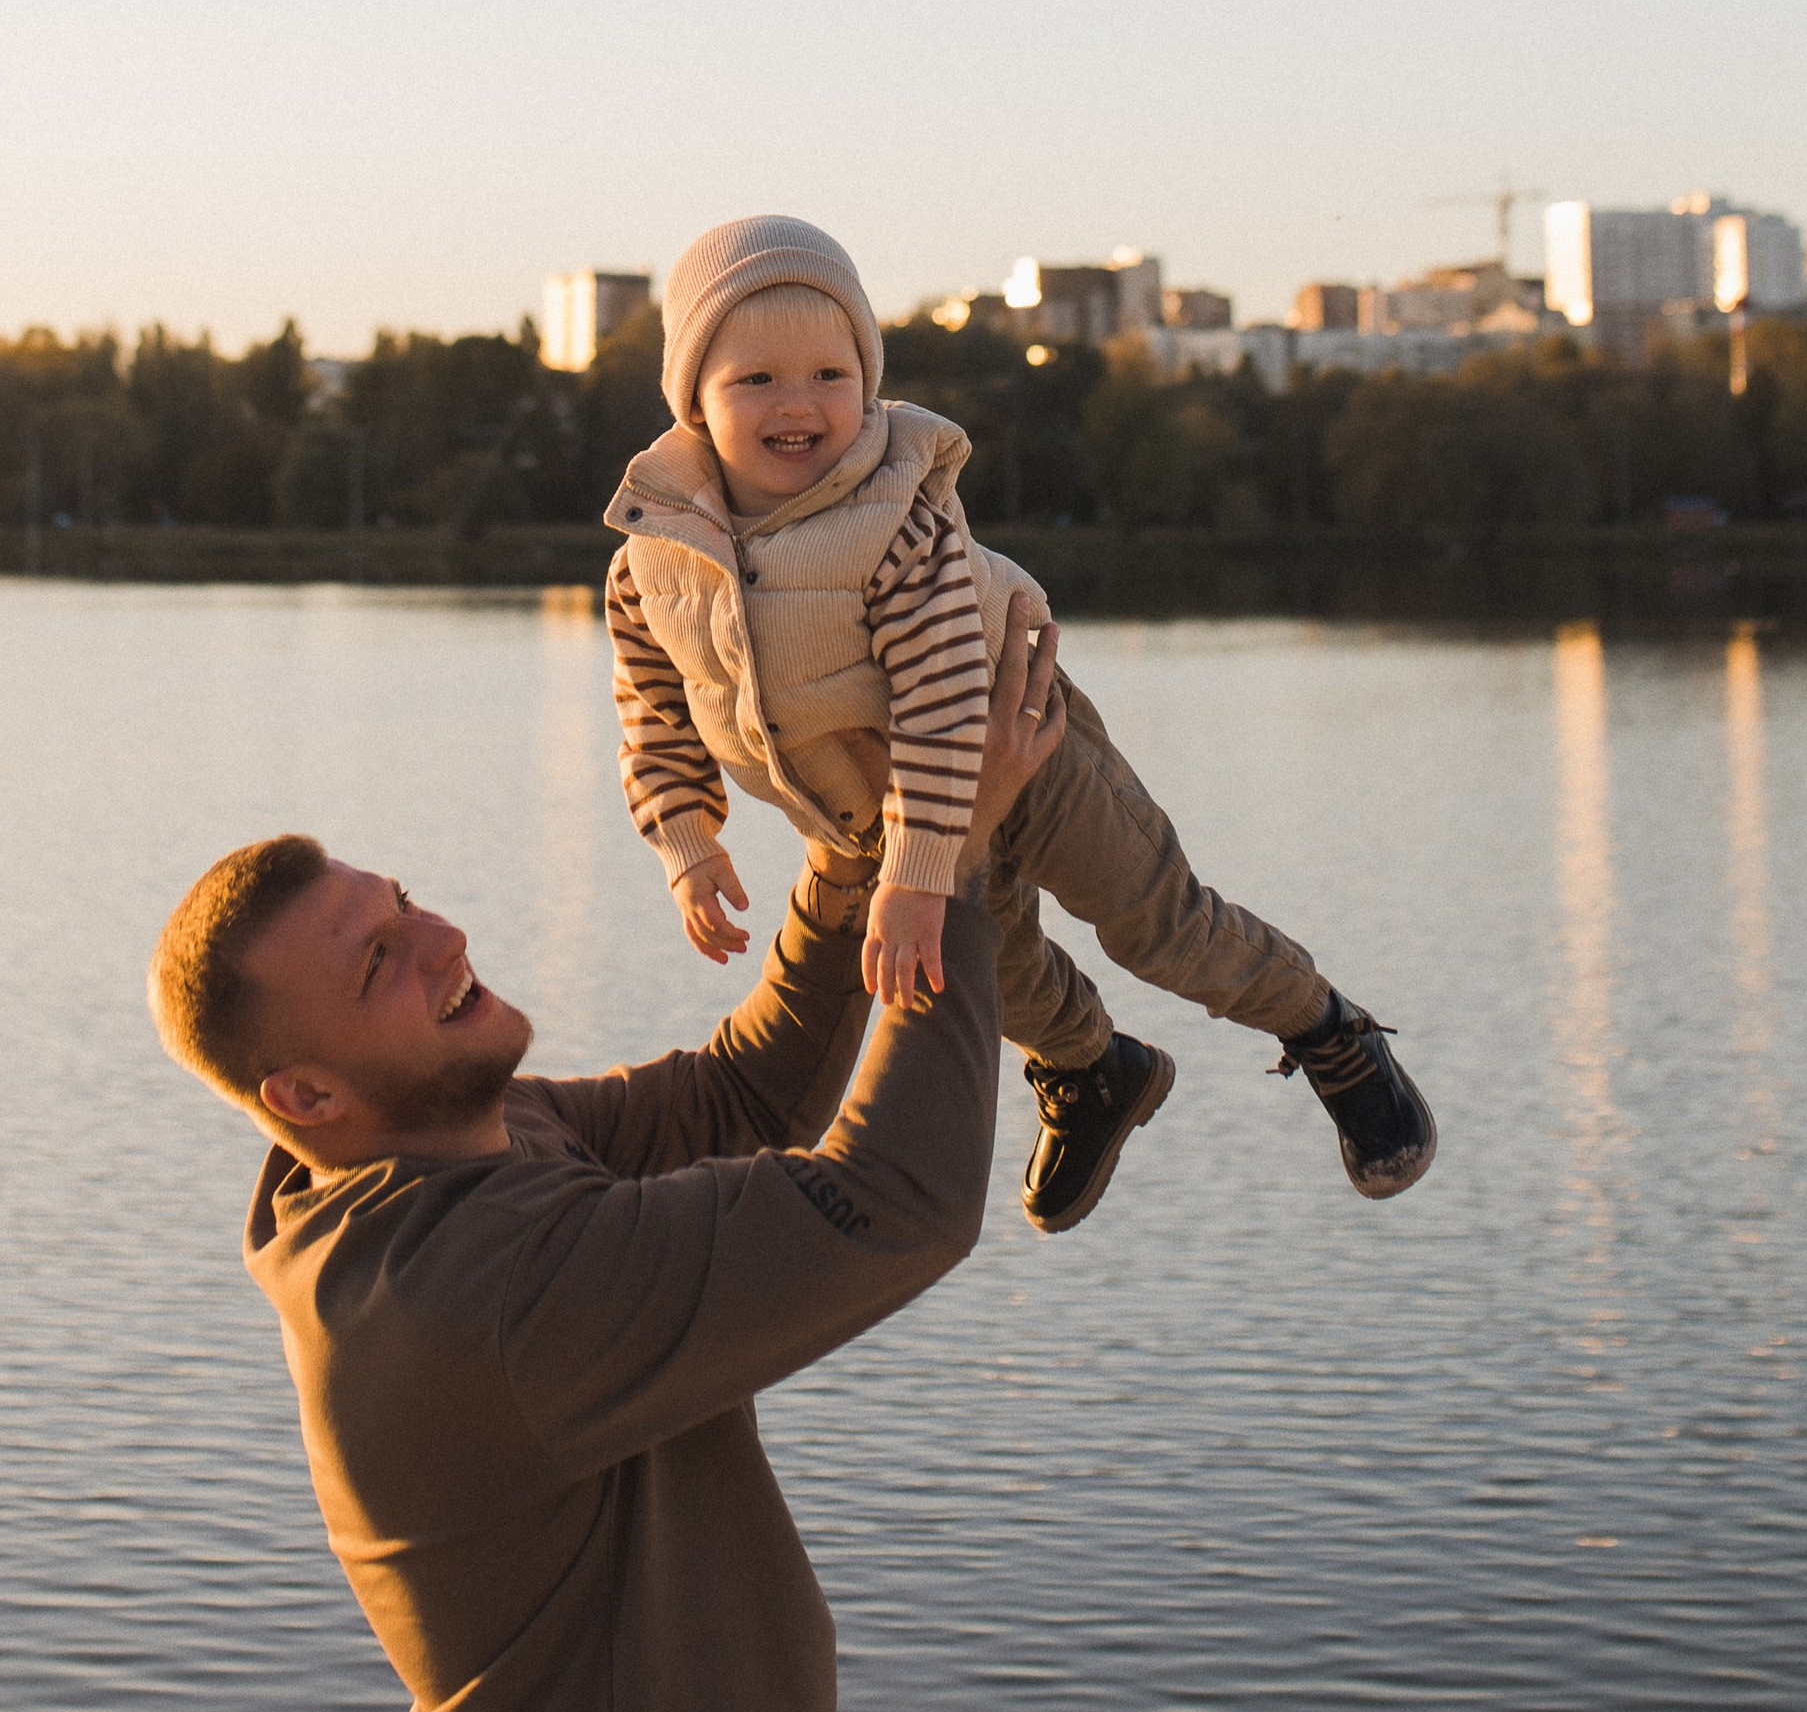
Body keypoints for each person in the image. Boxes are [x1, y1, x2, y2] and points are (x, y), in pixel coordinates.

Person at [146, 605, 1068, 1712]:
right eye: (382, 959)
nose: (443, 935)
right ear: (305, 1095)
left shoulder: (460, 1145)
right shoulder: (473, 1296)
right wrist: (943, 848)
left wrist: (856, 827)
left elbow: (736, 1100)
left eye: (406, 903)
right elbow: (896, 1203)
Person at [605, 211, 1436, 1233]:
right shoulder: (652, 557)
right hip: (871, 812)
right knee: (987, 969)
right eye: (756, 380)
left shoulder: (896, 518)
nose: (801, 406)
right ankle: (1094, 1067)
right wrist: (686, 842)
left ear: (868, 379)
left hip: (1013, 746)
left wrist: (915, 872)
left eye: (831, 374)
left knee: (1156, 925)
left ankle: (1327, 1031)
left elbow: (948, 696)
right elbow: (652, 713)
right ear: (690, 397)